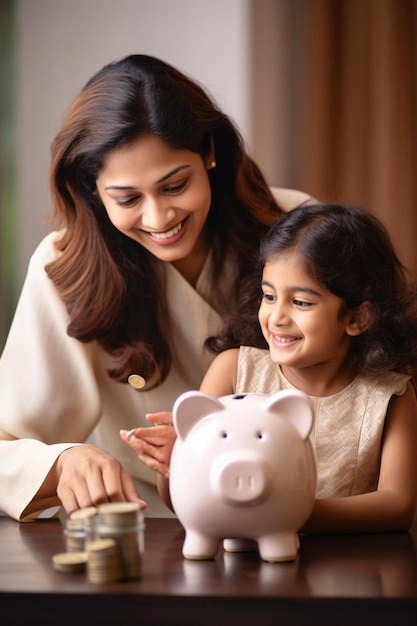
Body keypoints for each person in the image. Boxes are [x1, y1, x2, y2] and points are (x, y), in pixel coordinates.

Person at [0, 54, 314, 521]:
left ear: (209, 152)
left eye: (175, 185)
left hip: (297, 517)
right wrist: (62, 459)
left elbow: (364, 403)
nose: (158, 218)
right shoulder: (65, 266)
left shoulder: (298, 228)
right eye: (127, 198)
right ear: (92, 189)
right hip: (145, 531)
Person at [128, 202, 417, 533]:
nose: (276, 317)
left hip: (346, 573)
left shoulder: (390, 396)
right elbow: (185, 496)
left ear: (356, 317)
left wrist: (285, 512)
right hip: (241, 570)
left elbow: (398, 504)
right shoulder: (234, 371)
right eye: (269, 296)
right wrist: (172, 462)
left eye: (300, 302)